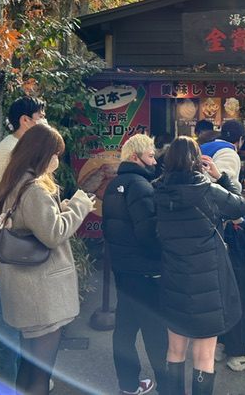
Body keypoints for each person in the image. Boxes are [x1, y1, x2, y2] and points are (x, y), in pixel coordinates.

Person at [0, 124, 95, 394]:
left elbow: (35, 223)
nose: (56, 160)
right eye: (54, 154)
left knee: (29, 364)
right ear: (41, 153)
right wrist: (80, 206)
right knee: (41, 371)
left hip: (25, 290)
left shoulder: (14, 181)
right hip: (41, 293)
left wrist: (61, 209)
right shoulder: (34, 188)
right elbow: (53, 234)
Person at [154, 136, 245, 395]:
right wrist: (222, 178)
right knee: (204, 356)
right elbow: (241, 206)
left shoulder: (158, 191)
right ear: (197, 160)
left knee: (175, 350)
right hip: (209, 283)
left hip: (173, 277)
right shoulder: (208, 190)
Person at [0, 96, 47, 384]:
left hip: (8, 248)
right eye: (40, 116)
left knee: (16, 322)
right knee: (10, 324)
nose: (43, 121)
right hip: (7, 250)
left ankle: (19, 381)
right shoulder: (10, 151)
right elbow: (9, 202)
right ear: (25, 120)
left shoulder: (13, 148)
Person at [200, 120, 245, 372]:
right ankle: (240, 351)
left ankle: (218, 344)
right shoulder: (228, 152)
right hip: (228, 229)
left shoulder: (203, 148)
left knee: (219, 289)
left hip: (209, 230)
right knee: (239, 291)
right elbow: (227, 193)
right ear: (239, 140)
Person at [103, 134, 167, 395]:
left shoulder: (114, 184)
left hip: (123, 269)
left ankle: (128, 385)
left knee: (125, 330)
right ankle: (167, 387)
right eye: (150, 156)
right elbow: (149, 234)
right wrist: (162, 258)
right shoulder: (141, 186)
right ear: (134, 157)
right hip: (146, 272)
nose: (155, 161)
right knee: (156, 335)